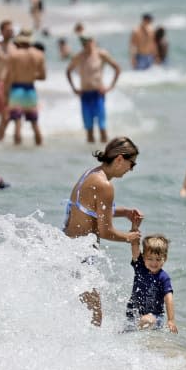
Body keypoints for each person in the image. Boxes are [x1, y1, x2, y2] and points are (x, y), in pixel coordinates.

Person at [63, 137, 144, 326]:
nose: (130, 169)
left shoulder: (91, 174)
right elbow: (106, 231)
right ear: (119, 159)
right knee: (95, 318)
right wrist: (131, 237)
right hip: (81, 256)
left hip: (68, 248)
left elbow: (92, 212)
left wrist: (124, 212)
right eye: (132, 164)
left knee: (81, 314)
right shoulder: (105, 186)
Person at [66, 35, 122, 143]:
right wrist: (74, 88)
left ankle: (106, 155)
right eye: (84, 42)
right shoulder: (79, 56)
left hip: (98, 94)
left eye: (88, 41)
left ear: (93, 41)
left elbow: (117, 68)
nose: (87, 44)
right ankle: (91, 155)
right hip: (85, 94)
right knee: (89, 129)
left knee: (102, 127)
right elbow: (68, 71)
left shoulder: (101, 54)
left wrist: (110, 87)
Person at [0, 28, 46, 145]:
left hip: (17, 89)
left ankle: (17, 153)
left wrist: (5, 93)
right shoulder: (39, 55)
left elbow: (8, 77)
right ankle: (39, 149)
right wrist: (30, 76)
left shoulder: (14, 55)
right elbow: (43, 76)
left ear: (19, 42)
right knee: (35, 123)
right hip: (30, 90)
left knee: (17, 123)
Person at [125, 233, 178, 333]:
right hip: (133, 315)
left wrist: (171, 320)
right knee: (128, 334)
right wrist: (135, 226)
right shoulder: (140, 268)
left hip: (155, 317)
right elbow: (135, 246)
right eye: (150, 259)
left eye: (158, 259)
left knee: (147, 320)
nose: (154, 263)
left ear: (165, 258)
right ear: (144, 257)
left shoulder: (163, 277)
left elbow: (168, 298)